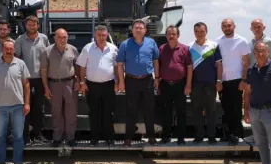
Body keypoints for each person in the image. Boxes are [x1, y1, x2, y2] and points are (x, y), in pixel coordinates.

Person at [0, 40, 31, 164]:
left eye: (11, 49)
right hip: (0, 108)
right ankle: (0, 162)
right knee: (0, 136)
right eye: (6, 49)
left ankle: (18, 162)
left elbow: (26, 85)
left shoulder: (20, 64)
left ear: (14, 50)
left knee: (18, 136)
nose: (9, 51)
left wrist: (27, 103)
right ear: (2, 50)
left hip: (18, 106)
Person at [117, 19, 160, 147]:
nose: (138, 29)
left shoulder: (151, 43)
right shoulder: (125, 44)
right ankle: (128, 139)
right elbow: (120, 65)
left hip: (147, 81)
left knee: (149, 110)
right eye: (136, 27)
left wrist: (157, 78)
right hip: (130, 81)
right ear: (132, 30)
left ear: (145, 30)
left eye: (141, 28)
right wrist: (121, 82)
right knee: (131, 111)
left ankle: (151, 137)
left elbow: (156, 61)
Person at [76, 25, 118, 146]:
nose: (101, 37)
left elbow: (116, 67)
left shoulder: (113, 48)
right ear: (95, 35)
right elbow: (81, 67)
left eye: (103, 35)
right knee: (93, 112)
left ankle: (109, 137)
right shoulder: (87, 48)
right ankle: (94, 138)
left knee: (108, 112)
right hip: (92, 85)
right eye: (99, 35)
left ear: (107, 35)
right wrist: (82, 83)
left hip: (109, 85)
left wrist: (118, 82)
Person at [40, 28, 80, 150]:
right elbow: (43, 70)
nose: (62, 40)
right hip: (54, 84)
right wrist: (46, 87)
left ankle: (70, 138)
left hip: (70, 83)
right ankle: (57, 138)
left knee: (71, 113)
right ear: (55, 38)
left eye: (64, 37)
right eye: (59, 37)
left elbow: (77, 66)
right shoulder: (47, 51)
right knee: (56, 112)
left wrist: (79, 80)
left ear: (67, 37)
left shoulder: (73, 49)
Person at [15, 15, 50, 144]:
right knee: (25, 107)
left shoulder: (44, 39)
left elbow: (47, 57)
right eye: (29, 25)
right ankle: (26, 135)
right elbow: (17, 57)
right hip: (25, 79)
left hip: (41, 79)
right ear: (26, 26)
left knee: (39, 108)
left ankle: (38, 134)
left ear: (37, 26)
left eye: (33, 25)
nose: (31, 27)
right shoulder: (20, 40)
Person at [216, 19, 250, 145]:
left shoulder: (242, 41)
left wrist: (244, 80)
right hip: (223, 81)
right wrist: (218, 80)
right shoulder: (218, 41)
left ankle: (237, 135)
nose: (227, 28)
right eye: (224, 26)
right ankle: (229, 134)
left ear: (234, 26)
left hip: (237, 81)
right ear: (221, 28)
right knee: (225, 108)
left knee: (236, 109)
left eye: (229, 25)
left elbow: (246, 63)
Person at [188, 22, 223, 145]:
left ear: (206, 32)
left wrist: (219, 80)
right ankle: (199, 135)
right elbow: (188, 66)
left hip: (210, 84)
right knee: (196, 110)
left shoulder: (214, 45)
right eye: (197, 31)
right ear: (194, 33)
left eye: (202, 31)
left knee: (211, 111)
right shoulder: (189, 47)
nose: (199, 34)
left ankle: (211, 136)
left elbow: (219, 64)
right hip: (195, 84)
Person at [157, 25, 192, 145]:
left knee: (181, 112)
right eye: (169, 34)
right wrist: (157, 79)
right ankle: (166, 136)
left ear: (178, 35)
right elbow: (158, 65)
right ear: (166, 35)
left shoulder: (184, 49)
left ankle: (181, 137)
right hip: (165, 84)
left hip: (180, 85)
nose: (171, 36)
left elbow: (189, 67)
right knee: (166, 112)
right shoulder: (161, 48)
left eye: (174, 34)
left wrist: (188, 84)